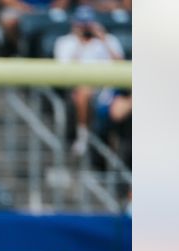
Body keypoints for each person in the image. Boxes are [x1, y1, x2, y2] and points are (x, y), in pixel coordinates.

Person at [54, 5, 125, 155]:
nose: (85, 27)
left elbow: (121, 65)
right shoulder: (66, 41)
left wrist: (103, 38)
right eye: (82, 23)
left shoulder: (107, 39)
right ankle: (83, 136)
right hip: (76, 87)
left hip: (108, 87)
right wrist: (80, 43)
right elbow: (64, 70)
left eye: (88, 23)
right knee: (83, 91)